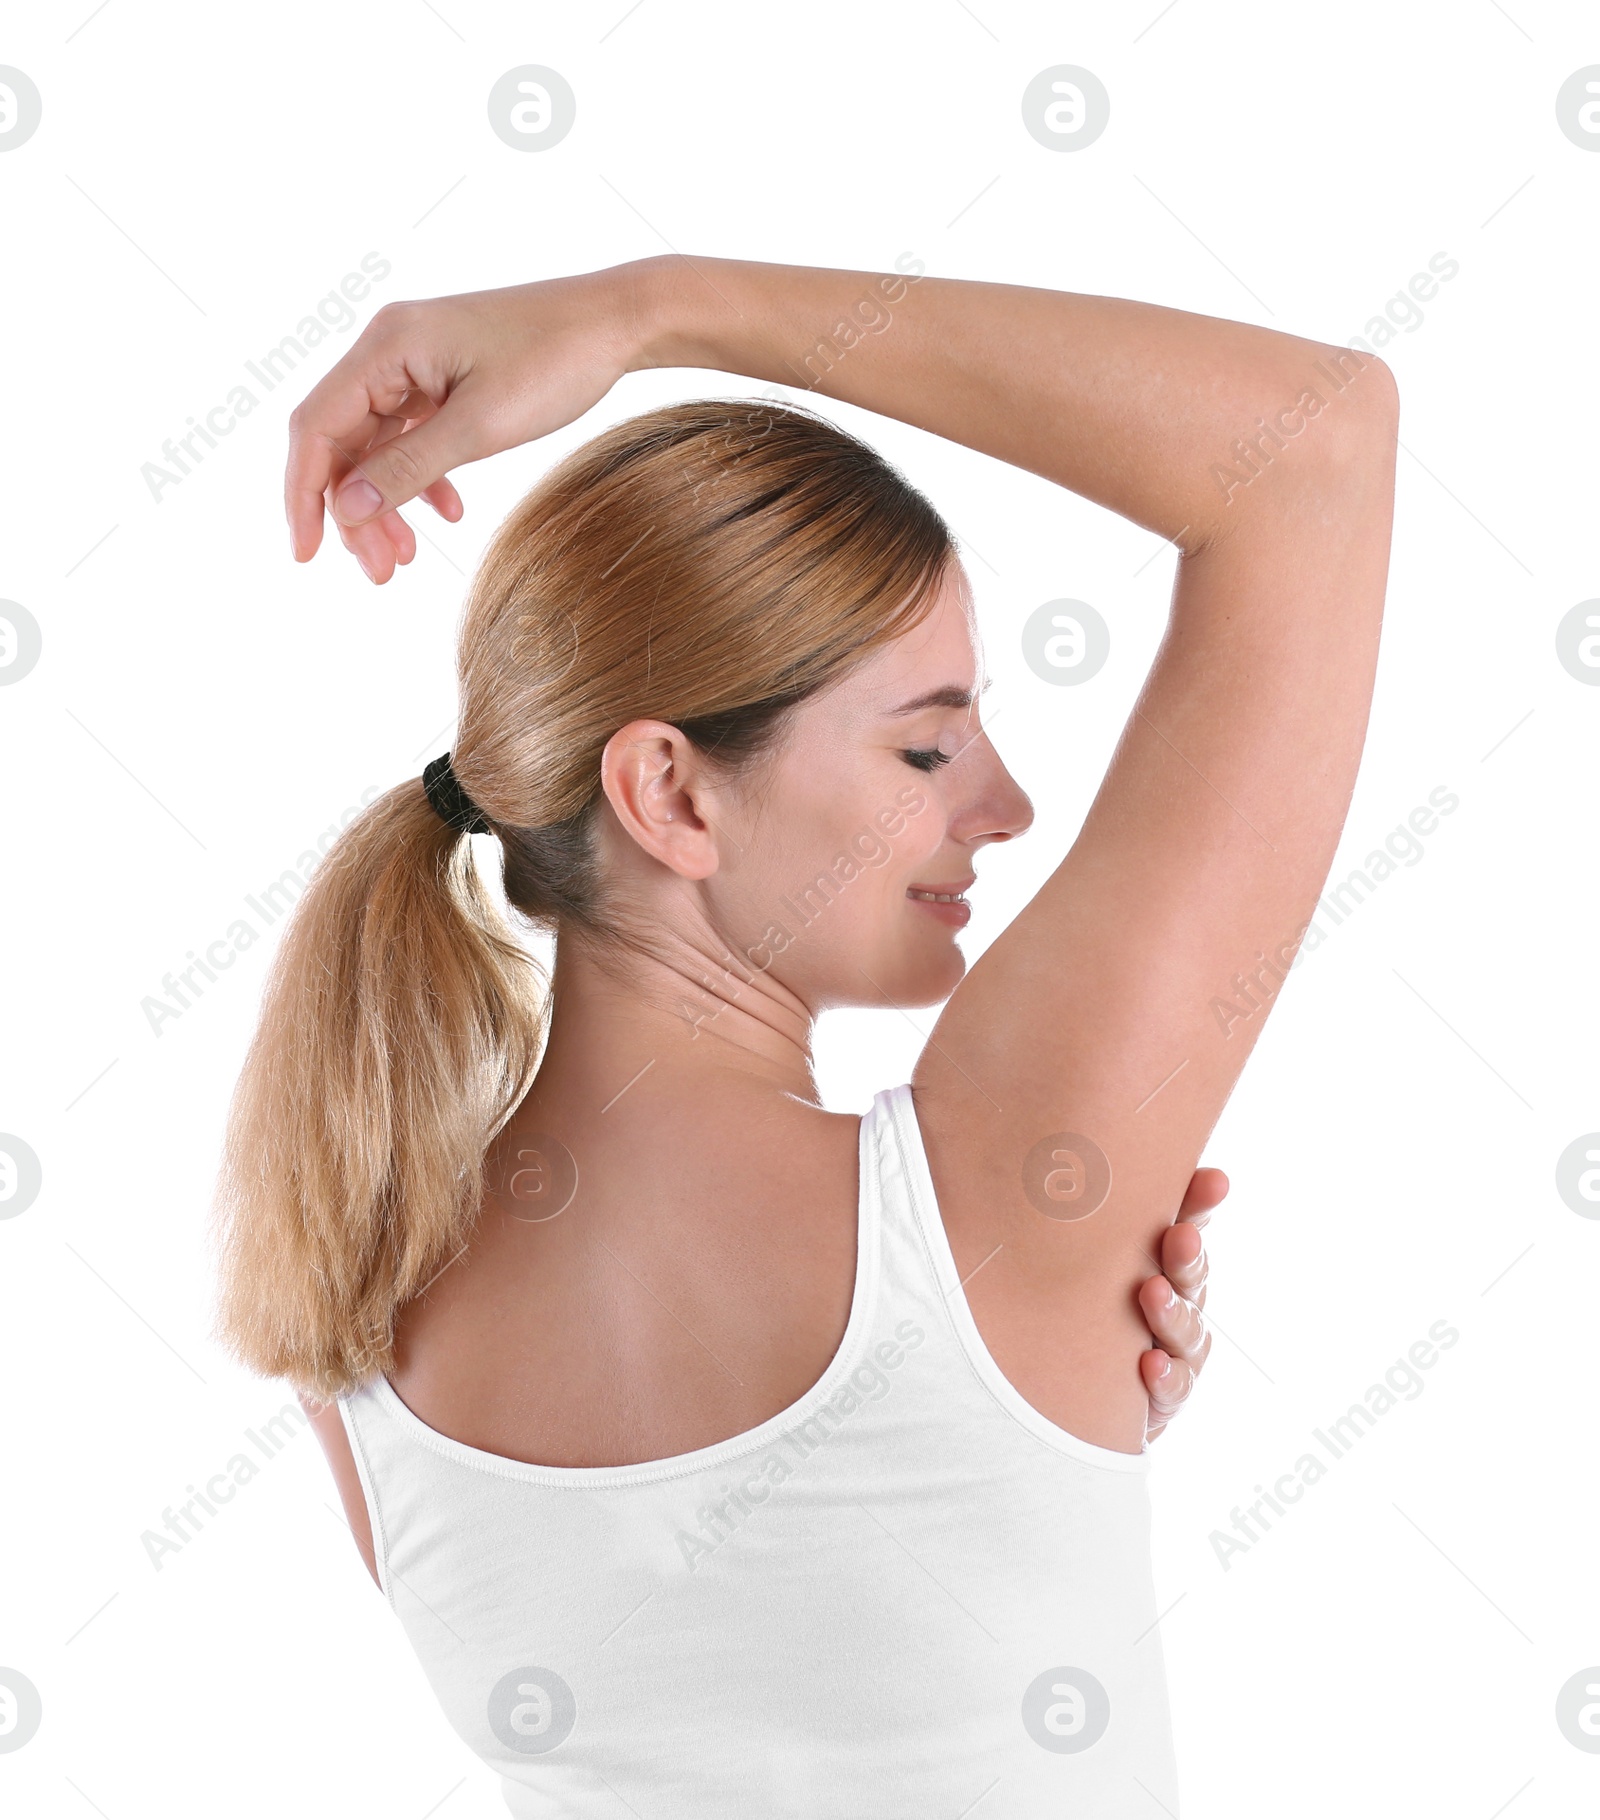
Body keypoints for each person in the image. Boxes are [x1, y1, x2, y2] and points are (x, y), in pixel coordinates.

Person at [211, 255, 1396, 1814]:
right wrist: (654, 311)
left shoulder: (351, 1307)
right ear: (674, 794)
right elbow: (1315, 448)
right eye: (927, 742)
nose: (1005, 808)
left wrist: (1036, 1438)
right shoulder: (990, 1199)